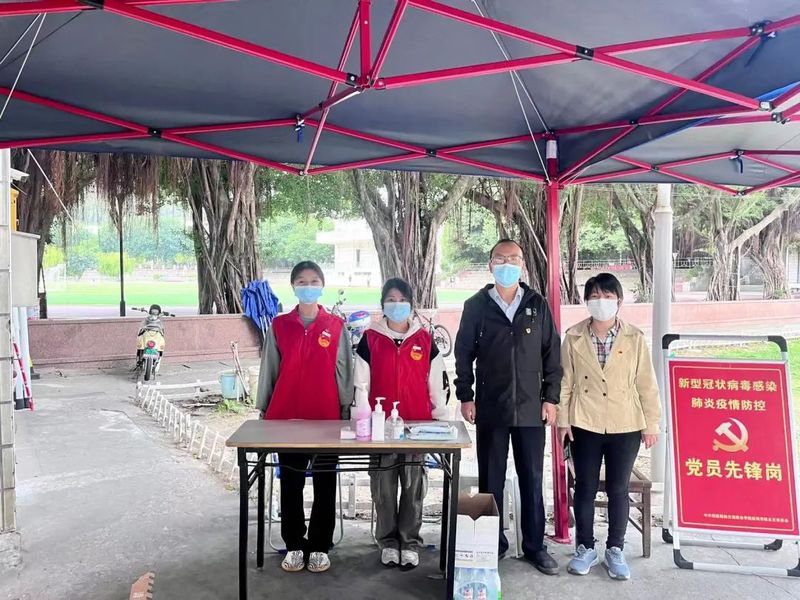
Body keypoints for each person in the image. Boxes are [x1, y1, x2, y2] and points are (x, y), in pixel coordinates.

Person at [454, 239, 561, 574]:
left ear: (523, 264)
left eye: (513, 259)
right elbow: (463, 354)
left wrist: (551, 397)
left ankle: (535, 546)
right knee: (491, 479)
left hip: (531, 409)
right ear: (490, 265)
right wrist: (466, 395)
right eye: (500, 259)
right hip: (491, 407)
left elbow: (552, 354)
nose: (507, 265)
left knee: (532, 478)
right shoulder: (476, 306)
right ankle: (490, 545)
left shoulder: (536, 304)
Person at [558, 273, 661, 581]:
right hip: (584, 422)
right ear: (586, 301)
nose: (601, 302)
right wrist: (563, 421)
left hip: (625, 423)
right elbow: (566, 383)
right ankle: (585, 547)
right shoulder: (573, 336)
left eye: (607, 296)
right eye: (594, 296)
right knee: (585, 487)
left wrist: (651, 424)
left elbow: (646, 384)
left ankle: (615, 549)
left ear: (619, 301)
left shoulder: (634, 338)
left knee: (618, 489)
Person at [255, 261, 354, 574]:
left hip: (327, 419)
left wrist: (346, 409)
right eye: (302, 281)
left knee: (325, 482)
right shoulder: (280, 325)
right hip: (288, 420)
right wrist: (264, 409)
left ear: (322, 286)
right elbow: (269, 368)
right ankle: (295, 544)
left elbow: (345, 371)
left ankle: (320, 545)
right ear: (293, 286)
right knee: (291, 483)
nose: (308, 286)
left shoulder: (336, 326)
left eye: (314, 281)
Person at [354, 278, 447, 570]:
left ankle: (409, 542)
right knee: (382, 488)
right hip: (379, 428)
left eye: (402, 299)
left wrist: (442, 420)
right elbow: (360, 385)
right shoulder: (370, 339)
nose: (397, 305)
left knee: (413, 486)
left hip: (417, 428)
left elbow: (437, 385)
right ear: (383, 305)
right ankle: (387, 542)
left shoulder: (425, 340)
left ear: (411, 304)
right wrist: (361, 420)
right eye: (391, 300)